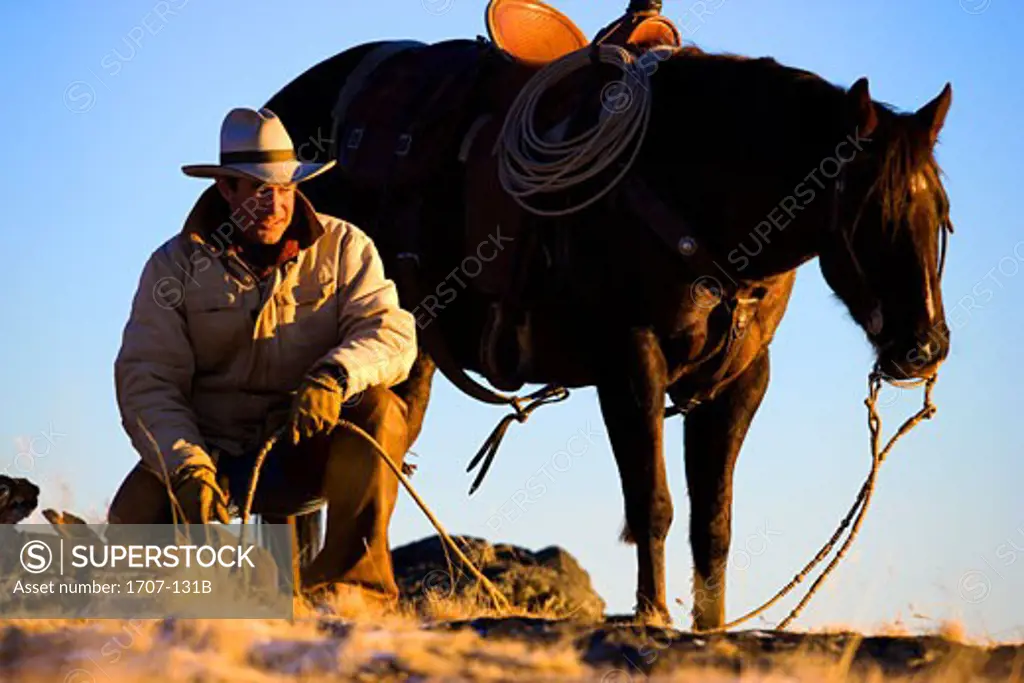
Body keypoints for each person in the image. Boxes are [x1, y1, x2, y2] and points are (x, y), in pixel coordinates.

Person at [107, 106, 418, 602]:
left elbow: (392, 334)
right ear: (226, 189)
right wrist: (187, 468)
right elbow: (148, 380)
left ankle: (353, 595)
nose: (276, 204)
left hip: (306, 448)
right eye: (259, 190)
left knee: (379, 413)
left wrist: (335, 377)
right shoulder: (171, 267)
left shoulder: (345, 247)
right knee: (121, 544)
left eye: (287, 188)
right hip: (211, 455)